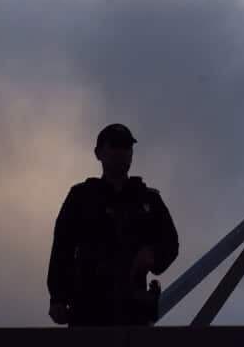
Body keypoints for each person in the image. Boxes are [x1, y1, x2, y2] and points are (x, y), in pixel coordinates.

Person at [47, 123, 179, 326]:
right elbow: (62, 249)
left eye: (126, 146)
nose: (122, 151)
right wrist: (57, 298)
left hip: (132, 311)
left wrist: (153, 254)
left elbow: (170, 243)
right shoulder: (81, 197)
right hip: (88, 308)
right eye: (115, 145)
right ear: (98, 153)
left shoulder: (148, 199)